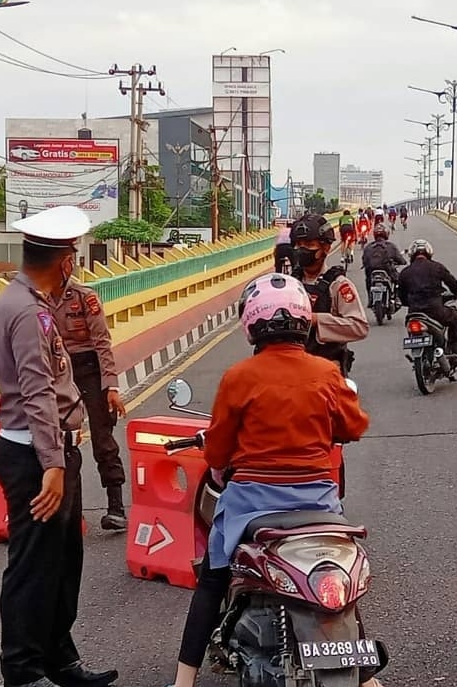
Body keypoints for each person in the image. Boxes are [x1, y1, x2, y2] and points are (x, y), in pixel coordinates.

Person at [165, 273, 382, 687]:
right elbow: (354, 426)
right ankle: (366, 675)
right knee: (336, 573)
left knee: (212, 577)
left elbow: (217, 454)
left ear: (251, 324)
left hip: (251, 503)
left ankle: (184, 679)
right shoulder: (327, 372)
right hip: (318, 503)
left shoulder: (239, 377)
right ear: (305, 321)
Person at [0, 205, 118, 687]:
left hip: (50, 449)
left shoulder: (29, 302)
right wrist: (52, 465)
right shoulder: (26, 311)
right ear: (64, 260)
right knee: (34, 567)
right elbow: (35, 391)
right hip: (34, 454)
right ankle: (22, 670)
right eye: (74, 256)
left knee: (63, 563)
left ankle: (60, 660)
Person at [51, 277, 129, 531]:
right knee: (59, 442)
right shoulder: (37, 298)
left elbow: (102, 342)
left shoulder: (85, 297)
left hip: (90, 371)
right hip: (59, 372)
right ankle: (69, 511)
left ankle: (115, 508)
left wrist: (111, 387)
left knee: (103, 440)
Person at [290, 213, 369, 375]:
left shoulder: (338, 285)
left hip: (327, 370)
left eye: (309, 244)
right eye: (298, 245)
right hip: (292, 368)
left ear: (325, 247)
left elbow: (359, 327)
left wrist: (317, 320)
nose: (302, 250)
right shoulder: (289, 283)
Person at [398, 239, 457, 363]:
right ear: (429, 252)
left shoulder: (404, 272)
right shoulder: (437, 267)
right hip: (435, 311)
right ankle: (455, 353)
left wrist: (410, 302)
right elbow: (452, 283)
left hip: (413, 313)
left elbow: (401, 296)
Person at [361, 222, 406, 305]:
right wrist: (402, 262)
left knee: (368, 281)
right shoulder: (391, 246)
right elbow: (400, 260)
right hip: (387, 270)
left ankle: (370, 299)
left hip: (371, 271)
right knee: (398, 280)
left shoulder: (368, 247)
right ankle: (396, 297)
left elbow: (364, 260)